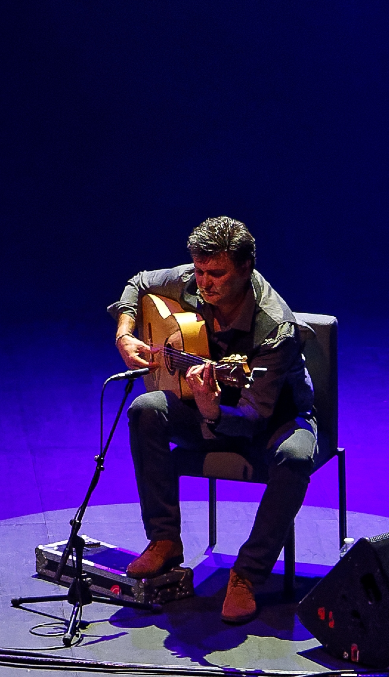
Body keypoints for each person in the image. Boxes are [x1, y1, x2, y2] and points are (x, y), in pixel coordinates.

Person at [109, 216, 321, 624]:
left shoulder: (275, 326)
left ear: (245, 268)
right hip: (213, 404)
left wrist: (210, 411)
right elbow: (138, 282)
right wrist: (125, 332)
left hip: (276, 418)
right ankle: (165, 540)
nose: (204, 284)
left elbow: (254, 416)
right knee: (146, 410)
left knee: (295, 457)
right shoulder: (191, 280)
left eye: (216, 274)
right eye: (200, 271)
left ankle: (247, 573)